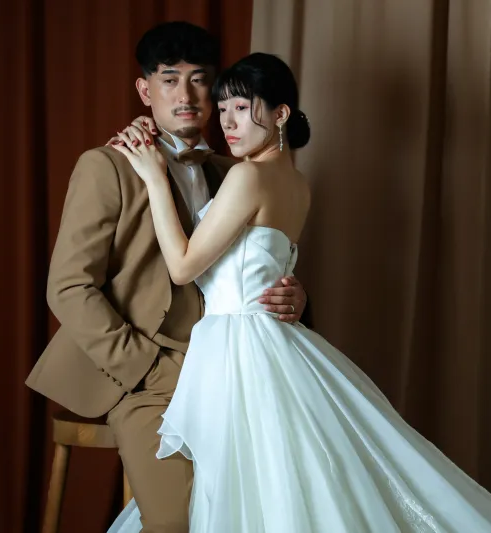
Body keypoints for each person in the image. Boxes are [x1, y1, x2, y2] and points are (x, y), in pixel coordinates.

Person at [105, 52, 491, 533]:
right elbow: (263, 266)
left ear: (280, 113)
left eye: (242, 108)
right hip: (266, 341)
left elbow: (184, 267)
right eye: (222, 109)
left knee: (240, 483)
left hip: (239, 349)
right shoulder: (296, 183)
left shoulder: (247, 175)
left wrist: (154, 178)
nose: (226, 122)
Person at [25, 23, 311, 533]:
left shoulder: (233, 169)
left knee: (275, 500)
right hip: (144, 377)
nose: (186, 96)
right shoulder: (108, 165)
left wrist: (295, 294)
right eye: (169, 80)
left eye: (199, 81)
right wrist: (146, 366)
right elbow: (68, 287)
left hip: (229, 368)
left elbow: (256, 264)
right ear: (145, 90)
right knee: (180, 522)